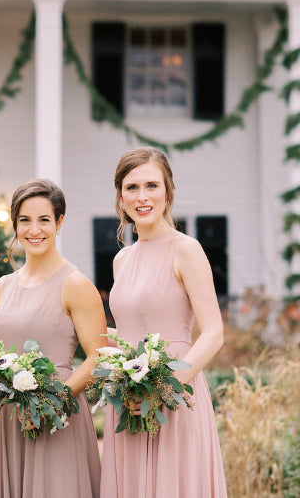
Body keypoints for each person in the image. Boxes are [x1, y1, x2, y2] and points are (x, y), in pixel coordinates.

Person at [100, 147, 227, 498]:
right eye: (132, 187)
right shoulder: (122, 260)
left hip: (175, 395)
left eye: (152, 186)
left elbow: (214, 331)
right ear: (120, 197)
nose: (142, 197)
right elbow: (129, 332)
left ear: (168, 192)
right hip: (127, 400)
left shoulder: (186, 249)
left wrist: (167, 387)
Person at [0, 178, 104, 498]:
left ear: (59, 222)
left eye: (44, 220)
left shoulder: (75, 284)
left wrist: (51, 403)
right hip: (12, 415)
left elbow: (99, 356)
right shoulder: (2, 288)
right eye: (25, 220)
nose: (34, 230)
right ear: (14, 224)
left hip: (58, 415)